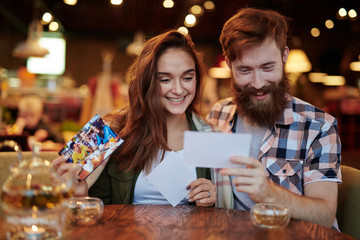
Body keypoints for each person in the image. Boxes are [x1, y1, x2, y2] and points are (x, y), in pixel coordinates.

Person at [207, 8, 341, 229]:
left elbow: (325, 215)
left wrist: (269, 193)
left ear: (284, 56)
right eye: (245, 70)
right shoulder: (217, 114)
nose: (258, 83)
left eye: (267, 67)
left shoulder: (319, 126)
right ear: (230, 66)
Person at [53, 30, 217, 207]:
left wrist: (211, 198)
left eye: (187, 77)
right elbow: (73, 201)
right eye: (165, 79)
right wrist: (77, 193)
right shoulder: (106, 129)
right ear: (147, 81)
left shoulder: (210, 133)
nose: (178, 89)